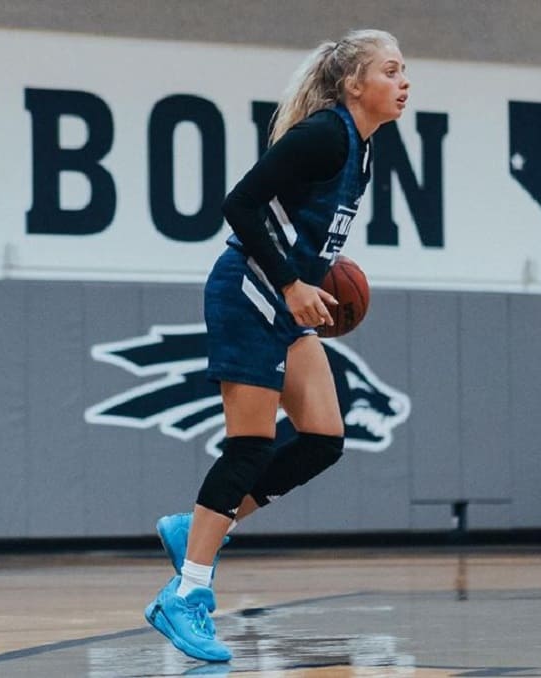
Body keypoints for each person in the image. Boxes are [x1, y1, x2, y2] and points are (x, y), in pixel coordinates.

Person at [144, 29, 410, 662]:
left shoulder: (363, 152)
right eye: (392, 70)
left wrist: (315, 277)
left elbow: (302, 224)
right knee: (250, 445)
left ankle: (200, 526)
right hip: (249, 293)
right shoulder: (322, 135)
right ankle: (185, 595)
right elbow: (240, 204)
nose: (404, 83)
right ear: (354, 85)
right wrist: (293, 282)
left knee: (321, 439)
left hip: (286, 299)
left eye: (406, 72)